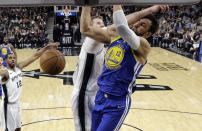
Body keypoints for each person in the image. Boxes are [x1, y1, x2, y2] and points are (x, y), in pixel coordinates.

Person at [73, 5, 168, 131]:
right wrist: (86, 4)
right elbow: (85, 30)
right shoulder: (115, 36)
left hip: (116, 103)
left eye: (142, 25)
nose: (137, 24)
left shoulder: (143, 45)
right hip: (100, 97)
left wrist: (115, 2)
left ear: (148, 34)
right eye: (138, 22)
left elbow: (122, 26)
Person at [0, 42, 59, 131]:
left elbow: (34, 56)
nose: (12, 59)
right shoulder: (4, 73)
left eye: (13, 58)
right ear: (6, 60)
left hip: (17, 105)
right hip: (7, 107)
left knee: (18, 128)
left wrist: (47, 47)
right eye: (10, 58)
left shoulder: (19, 68)